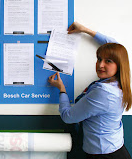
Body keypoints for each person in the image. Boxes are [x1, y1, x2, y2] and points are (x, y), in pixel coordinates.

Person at [48, 22, 132, 159]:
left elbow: (68, 116)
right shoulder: (120, 81)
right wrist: (87, 31)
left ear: (119, 63)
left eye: (108, 61)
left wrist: (62, 90)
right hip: (114, 147)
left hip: (104, 154)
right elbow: (115, 46)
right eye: (99, 59)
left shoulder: (104, 92)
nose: (100, 65)